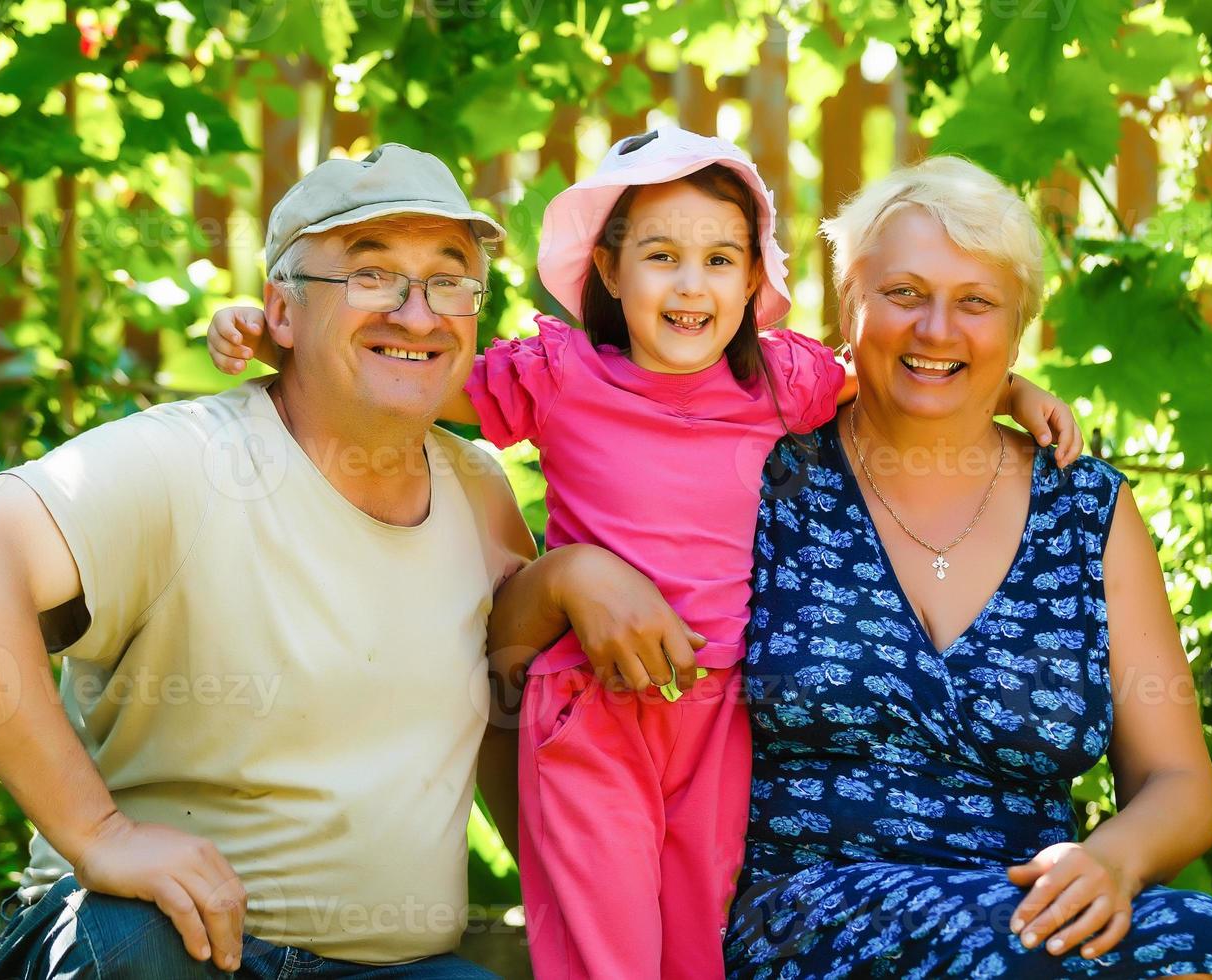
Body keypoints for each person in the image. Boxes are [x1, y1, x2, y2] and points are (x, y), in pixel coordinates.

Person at [205, 128, 1082, 979]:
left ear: (752, 282)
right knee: (605, 954)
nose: (690, 284)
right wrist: (278, 328)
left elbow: (905, 368)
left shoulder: (781, 381)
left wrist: (1010, 385)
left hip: (723, 724)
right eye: (661, 255)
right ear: (610, 272)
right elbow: (412, 367)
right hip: (594, 706)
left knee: (700, 950)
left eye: (720, 258)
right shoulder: (559, 374)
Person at [0, 144, 548, 979]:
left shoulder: (478, 492)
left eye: (449, 280)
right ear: (281, 311)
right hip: (162, 946)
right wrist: (100, 835)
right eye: (371, 276)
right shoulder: (188, 461)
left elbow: (505, 726)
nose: (417, 315)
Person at [721, 157, 1212, 976]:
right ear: (850, 302)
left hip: (1028, 906)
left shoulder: (1085, 511)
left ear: (1017, 326)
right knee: (1009, 951)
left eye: (975, 302)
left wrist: (1108, 861)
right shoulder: (767, 475)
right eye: (904, 293)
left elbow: (1180, 780)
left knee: (1194, 938)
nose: (937, 329)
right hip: (811, 909)